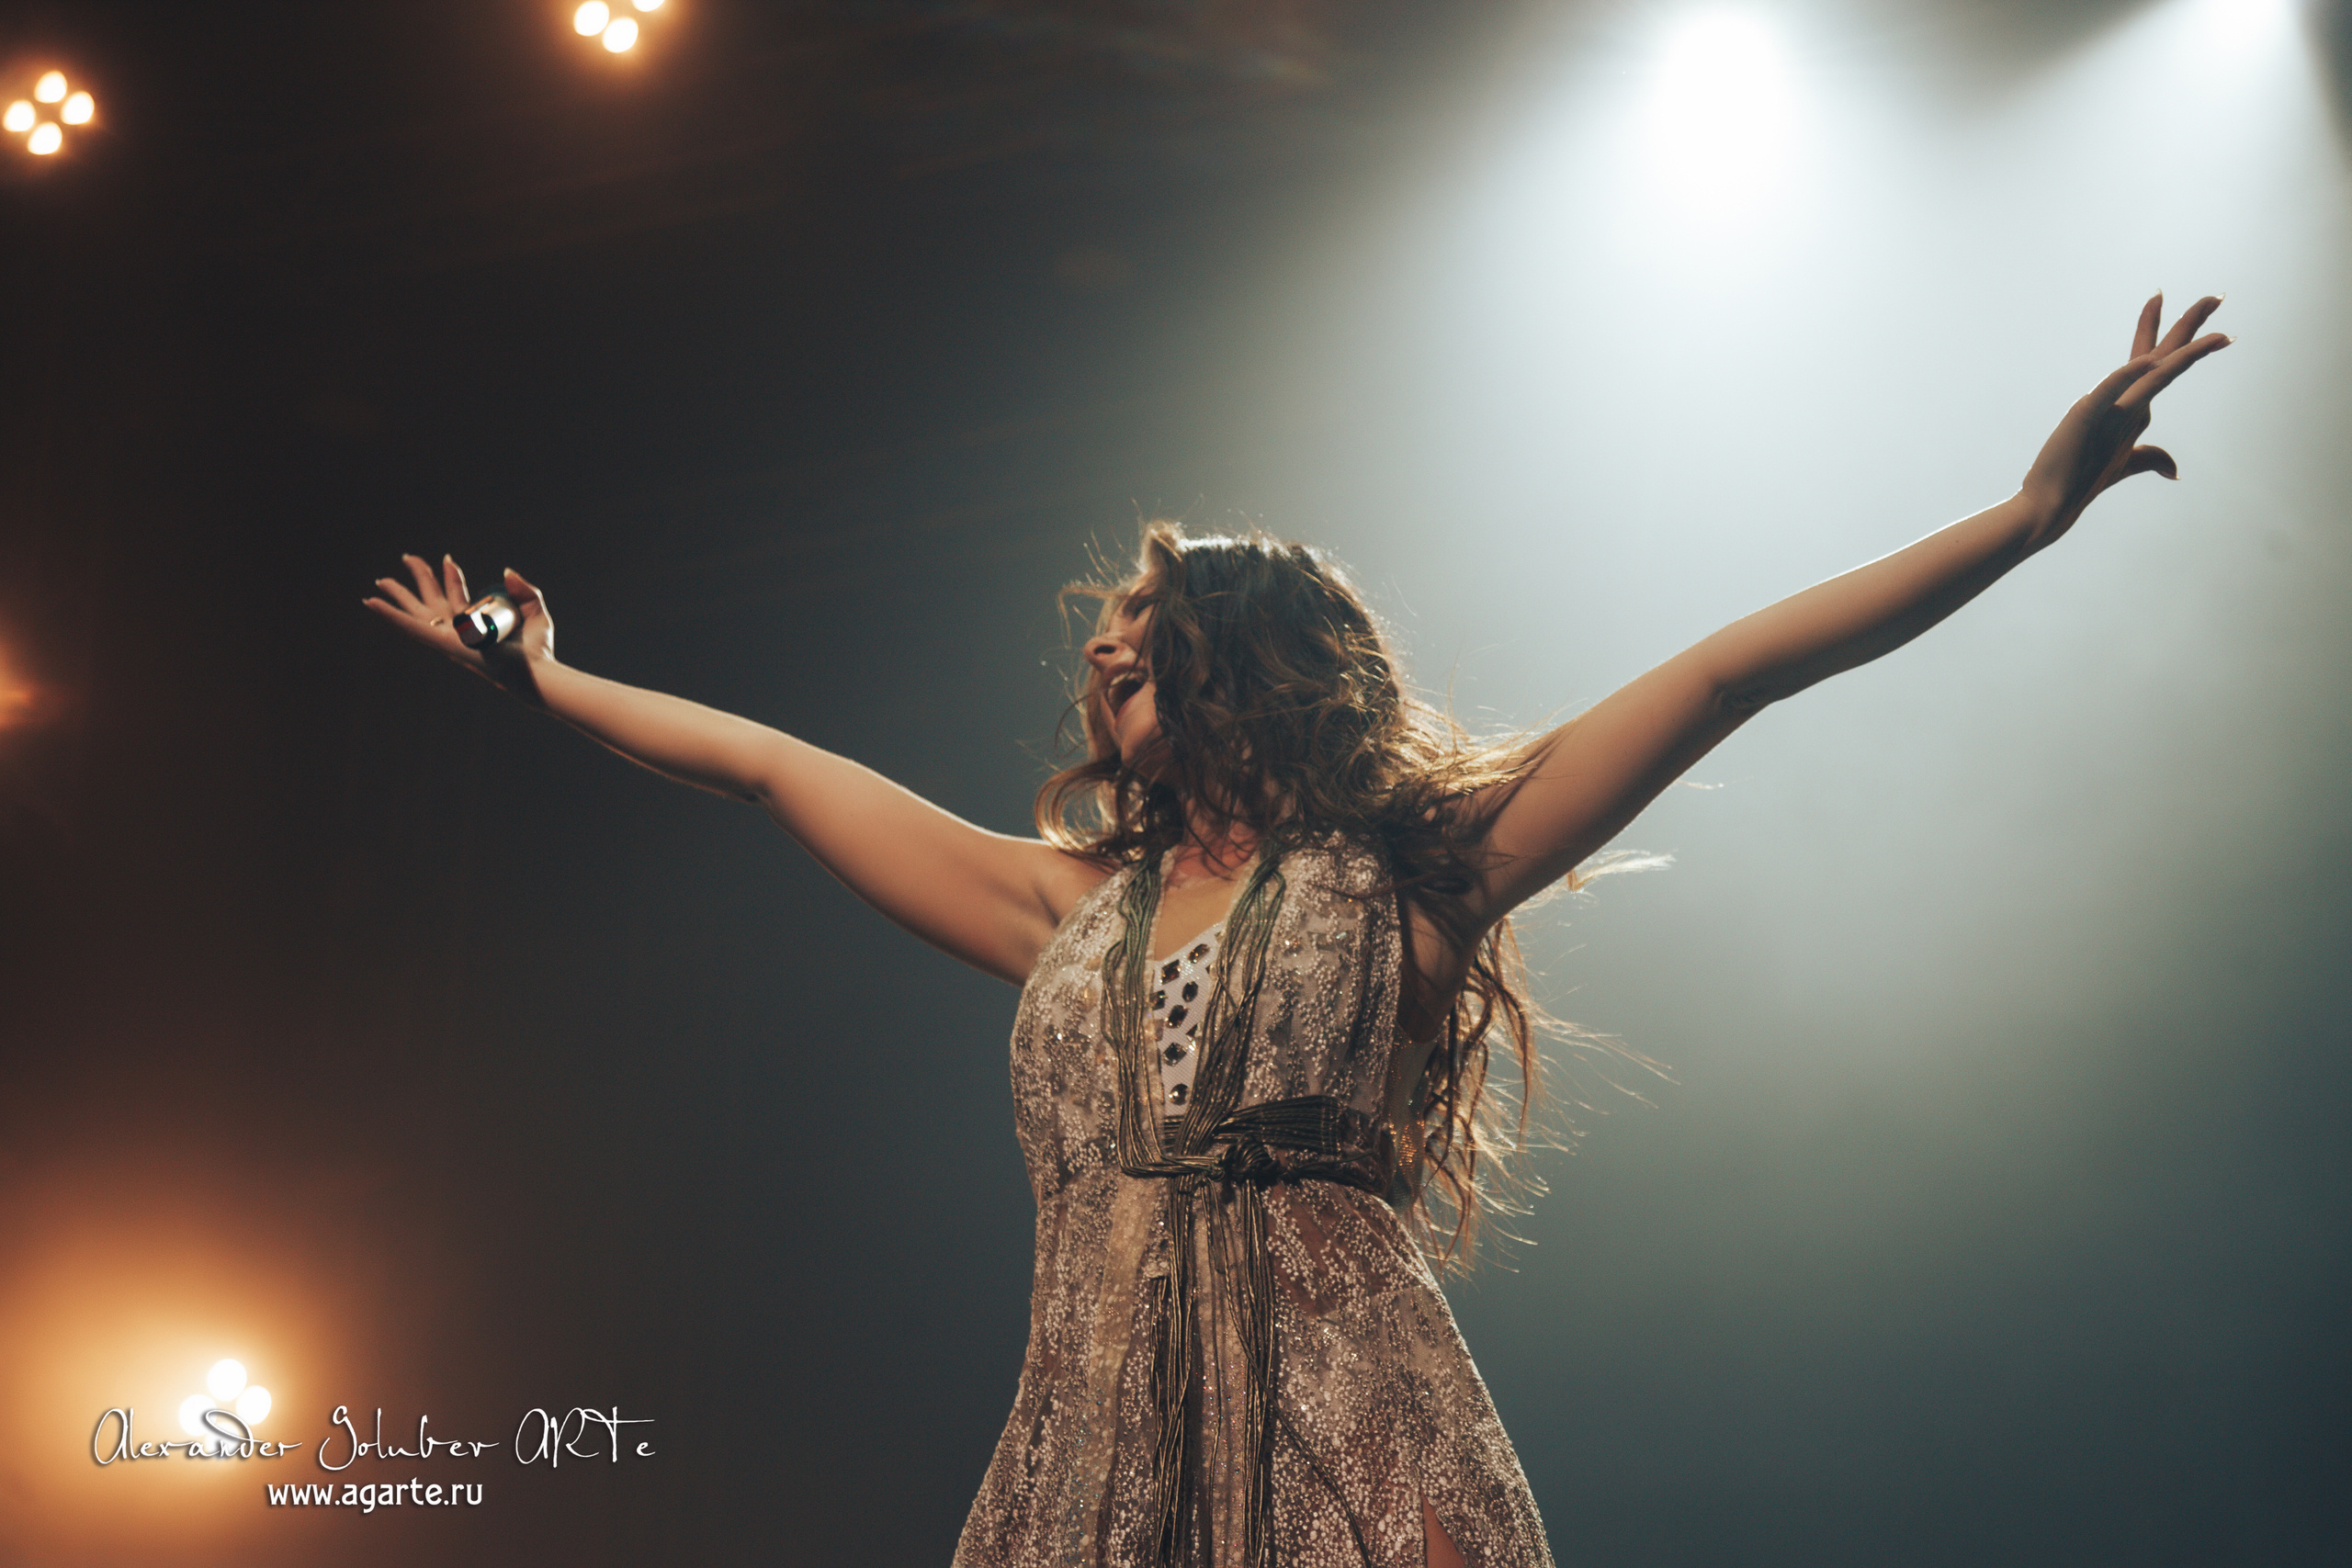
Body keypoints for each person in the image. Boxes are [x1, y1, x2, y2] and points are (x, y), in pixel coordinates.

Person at [368, 295, 2229, 1568]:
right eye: (1097, 625)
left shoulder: (1413, 868)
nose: (1100, 642)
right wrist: (547, 677)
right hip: (1089, 1447)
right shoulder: (1059, 910)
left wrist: (2021, 515)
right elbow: (778, 768)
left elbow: (1736, 667)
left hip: (1358, 1427)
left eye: (1140, 614)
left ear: (1242, 654)